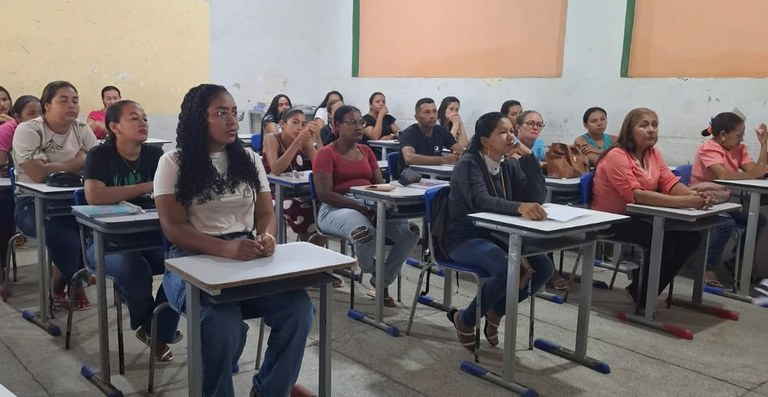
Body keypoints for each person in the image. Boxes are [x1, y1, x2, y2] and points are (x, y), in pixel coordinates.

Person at [154, 84, 313, 396]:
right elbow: (173, 227)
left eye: (233, 113)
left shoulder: (249, 160)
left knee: (298, 309)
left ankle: (270, 390)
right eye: (220, 113)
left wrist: (266, 238)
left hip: (243, 258)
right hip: (188, 262)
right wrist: (223, 248)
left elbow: (266, 214)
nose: (232, 121)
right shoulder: (173, 163)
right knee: (220, 320)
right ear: (199, 120)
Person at [442, 111, 553, 351]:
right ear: (484, 140)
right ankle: (466, 319)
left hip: (500, 235)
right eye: (503, 132)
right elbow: (481, 201)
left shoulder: (508, 165)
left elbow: (535, 197)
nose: (511, 137)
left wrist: (528, 158)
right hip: (464, 237)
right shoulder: (469, 164)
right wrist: (519, 207)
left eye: (512, 131)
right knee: (506, 268)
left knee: (544, 268)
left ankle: (495, 311)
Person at [83, 100, 181, 360]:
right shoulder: (99, 155)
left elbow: (169, 193)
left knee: (183, 265)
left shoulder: (154, 155)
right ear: (114, 126)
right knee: (133, 269)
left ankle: (155, 330)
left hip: (148, 235)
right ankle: (154, 328)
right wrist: (147, 186)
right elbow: (94, 196)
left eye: (145, 118)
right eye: (134, 118)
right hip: (105, 241)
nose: (143, 123)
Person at [592, 108, 709, 311]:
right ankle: (642, 295)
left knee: (692, 238)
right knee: (664, 242)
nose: (651, 130)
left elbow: (669, 183)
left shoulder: (653, 154)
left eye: (654, 125)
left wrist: (692, 196)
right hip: (611, 219)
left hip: (641, 216)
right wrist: (685, 202)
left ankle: (640, 287)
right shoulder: (616, 156)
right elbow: (637, 195)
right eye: (644, 125)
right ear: (630, 130)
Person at [313, 105, 420, 307]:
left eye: (361, 122)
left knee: (411, 231)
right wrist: (360, 206)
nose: (359, 127)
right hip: (335, 208)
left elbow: (379, 186)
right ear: (337, 126)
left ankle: (381, 280)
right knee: (365, 234)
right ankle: (374, 271)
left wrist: (382, 202)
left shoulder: (366, 151)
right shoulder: (326, 154)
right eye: (352, 123)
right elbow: (324, 194)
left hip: (369, 204)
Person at [12, 81, 98, 309]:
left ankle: (64, 283)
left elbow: (98, 165)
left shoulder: (81, 129)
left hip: (74, 202)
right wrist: (78, 161)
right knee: (65, 235)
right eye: (64, 100)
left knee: (91, 229)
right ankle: (75, 282)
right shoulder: (29, 130)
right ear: (46, 105)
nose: (72, 106)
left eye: (75, 101)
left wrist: (54, 165)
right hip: (32, 205)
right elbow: (38, 174)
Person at [691, 112, 768, 287]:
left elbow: (758, 170)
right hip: (703, 200)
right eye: (739, 135)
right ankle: (706, 267)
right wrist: (752, 174)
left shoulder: (739, 149)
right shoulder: (709, 148)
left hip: (724, 201)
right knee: (726, 224)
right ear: (723, 135)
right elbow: (723, 175)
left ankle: (737, 262)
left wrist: (763, 145)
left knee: (757, 220)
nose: (741, 139)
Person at [263, 107, 321, 241]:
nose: (299, 127)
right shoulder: (272, 138)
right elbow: (276, 170)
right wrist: (298, 141)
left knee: (321, 206)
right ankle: (306, 247)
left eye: (303, 124)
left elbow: (321, 165)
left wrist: (318, 139)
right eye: (295, 122)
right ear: (282, 124)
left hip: (297, 191)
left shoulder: (304, 142)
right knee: (305, 211)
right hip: (274, 192)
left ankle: (311, 249)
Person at [398, 98, 465, 173]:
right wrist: (444, 159)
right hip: (412, 177)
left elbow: (461, 151)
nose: (432, 116)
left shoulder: (441, 131)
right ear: (416, 117)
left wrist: (456, 156)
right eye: (427, 112)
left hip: (436, 176)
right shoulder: (409, 133)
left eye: (434, 111)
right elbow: (409, 158)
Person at [0, 95, 42, 170]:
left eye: (41, 113)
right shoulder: (5, 130)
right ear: (17, 117)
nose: (38, 117)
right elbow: (1, 166)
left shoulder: (47, 128)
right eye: (31, 114)